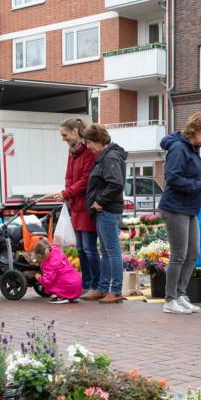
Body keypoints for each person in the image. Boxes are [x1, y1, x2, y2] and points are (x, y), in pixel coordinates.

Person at [158, 112, 201, 315]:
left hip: (189, 208)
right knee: (179, 254)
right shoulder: (179, 148)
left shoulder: (191, 148)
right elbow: (172, 178)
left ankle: (181, 294)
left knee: (193, 252)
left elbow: (186, 174)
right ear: (197, 131)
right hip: (175, 208)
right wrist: (200, 185)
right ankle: (170, 299)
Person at [51, 118, 100, 296]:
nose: (63, 138)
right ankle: (86, 283)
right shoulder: (72, 152)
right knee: (80, 248)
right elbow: (69, 176)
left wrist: (68, 193)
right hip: (76, 207)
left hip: (85, 206)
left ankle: (96, 284)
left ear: (75, 132)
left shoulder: (88, 152)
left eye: (65, 134)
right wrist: (67, 193)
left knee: (89, 248)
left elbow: (86, 180)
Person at [82, 124, 127, 304]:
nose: (88, 146)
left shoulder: (110, 158)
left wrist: (99, 201)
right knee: (106, 251)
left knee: (112, 251)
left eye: (90, 142)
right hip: (105, 210)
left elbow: (116, 183)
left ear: (99, 141)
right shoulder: (106, 156)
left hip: (107, 210)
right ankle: (102, 288)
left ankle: (115, 291)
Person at [33, 239, 82, 304]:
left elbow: (48, 281)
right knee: (61, 274)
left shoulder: (51, 264)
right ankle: (71, 295)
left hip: (69, 286)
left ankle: (64, 296)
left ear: (40, 256)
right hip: (77, 284)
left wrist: (39, 277)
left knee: (51, 280)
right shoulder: (56, 250)